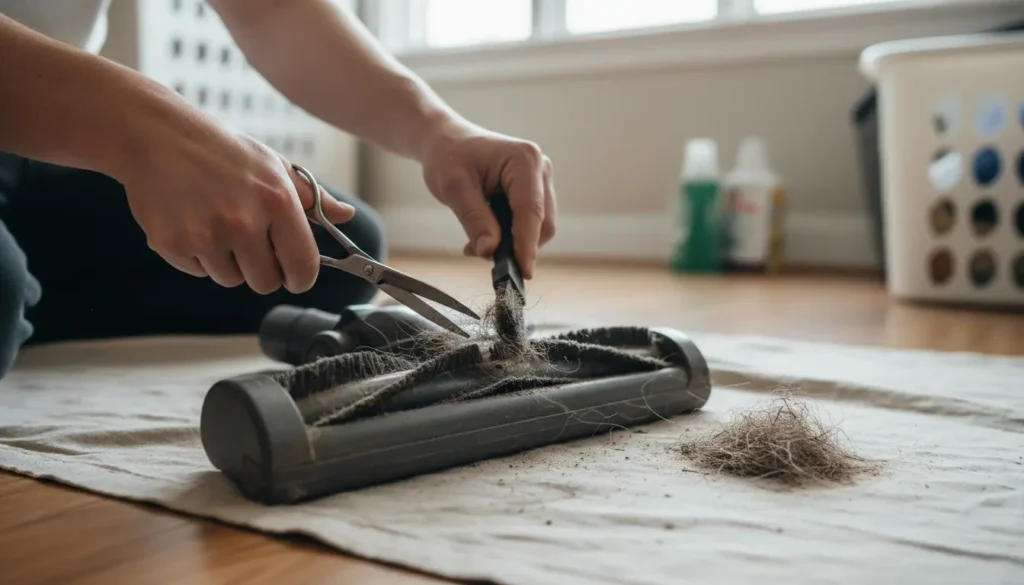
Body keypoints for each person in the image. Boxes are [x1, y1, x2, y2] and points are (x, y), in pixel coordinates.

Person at [0, 0, 558, 379]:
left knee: (321, 248)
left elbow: (270, 9)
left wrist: (438, 130)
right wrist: (142, 128)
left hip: (45, 146)